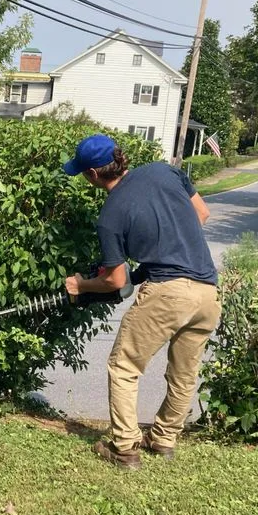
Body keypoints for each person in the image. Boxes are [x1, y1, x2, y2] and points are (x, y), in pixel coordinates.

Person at [62, 134, 221, 470]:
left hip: (167, 292)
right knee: (184, 373)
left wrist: (81, 283)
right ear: (120, 157)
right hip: (208, 290)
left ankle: (124, 448)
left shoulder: (110, 214)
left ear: (92, 174)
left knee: (124, 366)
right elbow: (202, 214)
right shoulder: (165, 172)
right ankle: (163, 440)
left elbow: (116, 281)